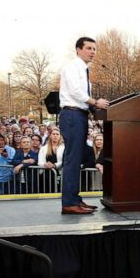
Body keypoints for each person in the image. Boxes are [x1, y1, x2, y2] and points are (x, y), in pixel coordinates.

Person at [58, 37, 108, 214]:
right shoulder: (72, 66)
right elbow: (75, 91)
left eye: (94, 49)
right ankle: (69, 202)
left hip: (79, 114)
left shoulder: (84, 69)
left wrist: (92, 108)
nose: (93, 52)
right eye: (89, 48)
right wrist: (95, 102)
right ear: (78, 50)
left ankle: (75, 199)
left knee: (77, 159)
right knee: (72, 160)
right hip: (72, 114)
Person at [38, 128, 64, 194]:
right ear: (50, 136)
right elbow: (40, 162)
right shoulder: (43, 148)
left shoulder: (64, 148)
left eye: (57, 134)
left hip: (59, 174)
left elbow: (65, 160)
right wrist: (45, 164)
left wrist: (54, 165)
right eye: (53, 134)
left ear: (60, 136)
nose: (55, 136)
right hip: (45, 175)